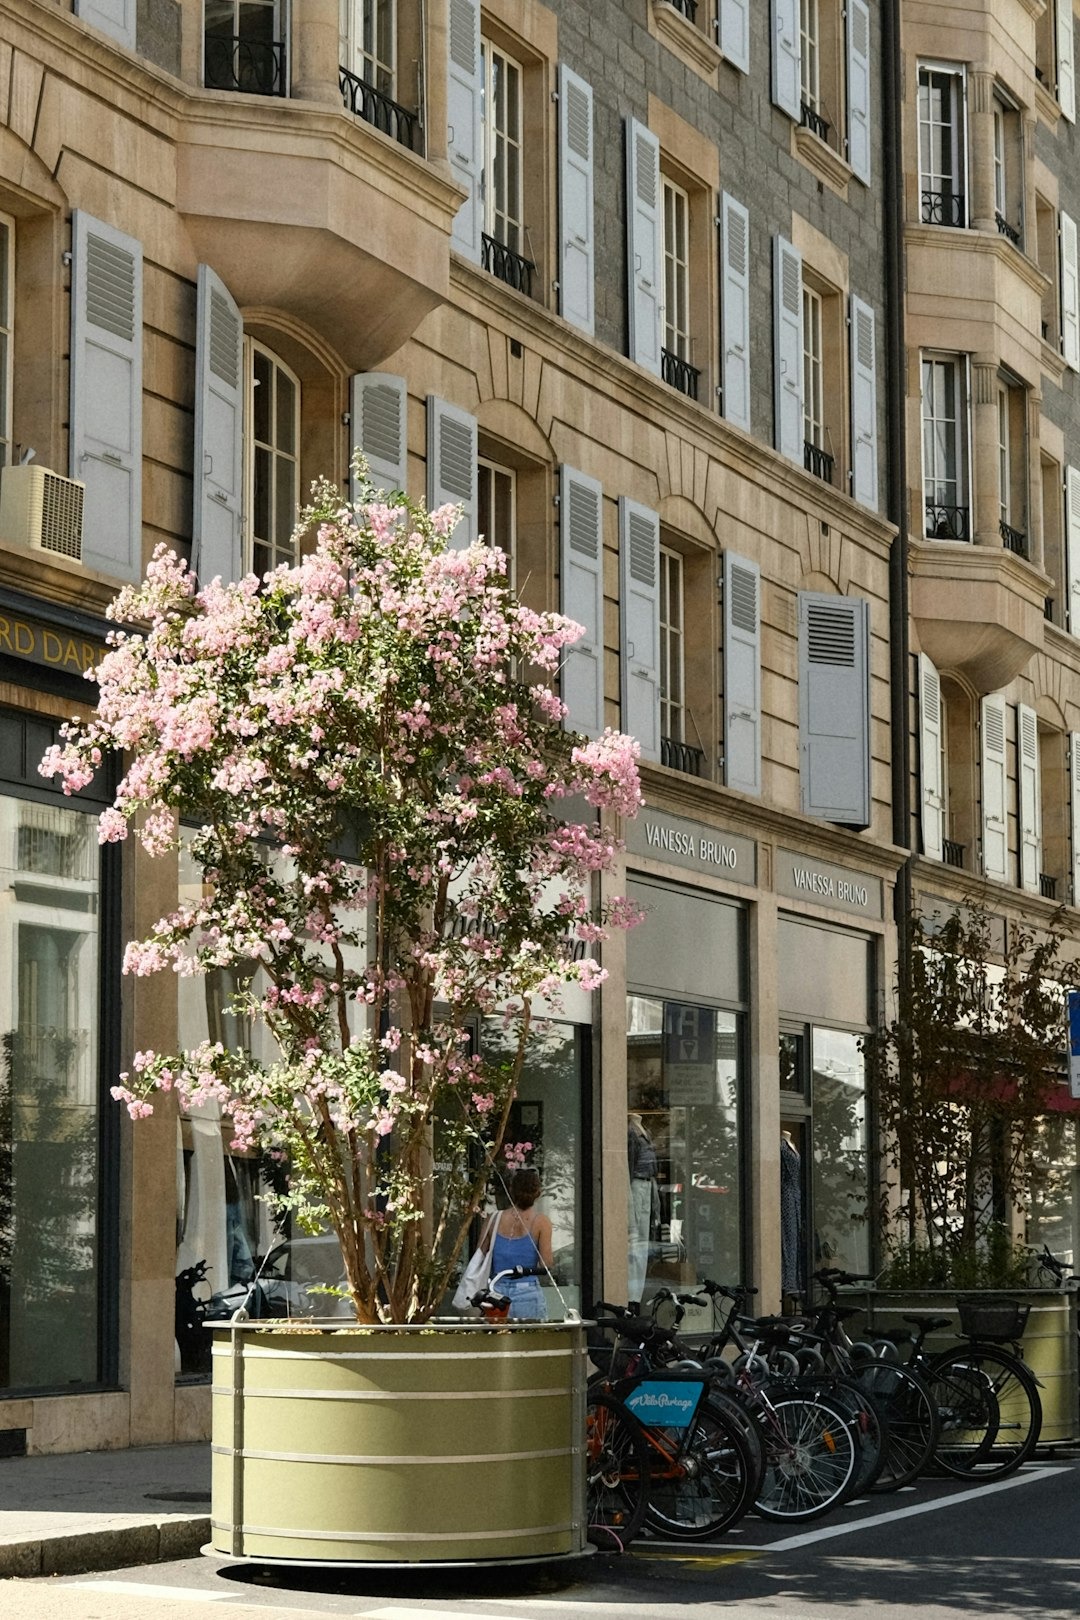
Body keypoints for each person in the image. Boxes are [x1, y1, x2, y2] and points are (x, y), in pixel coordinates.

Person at [485, 1168, 553, 1320]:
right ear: (538, 1193)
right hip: (528, 1291)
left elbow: (481, 1255)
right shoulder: (541, 1222)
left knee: (498, 1335)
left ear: (511, 1190)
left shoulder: (493, 1219)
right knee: (531, 1335)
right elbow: (546, 1264)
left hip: (496, 1292)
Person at [627, 1111, 659, 1305]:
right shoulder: (631, 1133)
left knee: (642, 1241)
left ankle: (636, 1295)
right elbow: (629, 1166)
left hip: (646, 1185)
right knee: (636, 1240)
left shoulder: (644, 1132)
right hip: (636, 1185)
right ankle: (632, 1297)